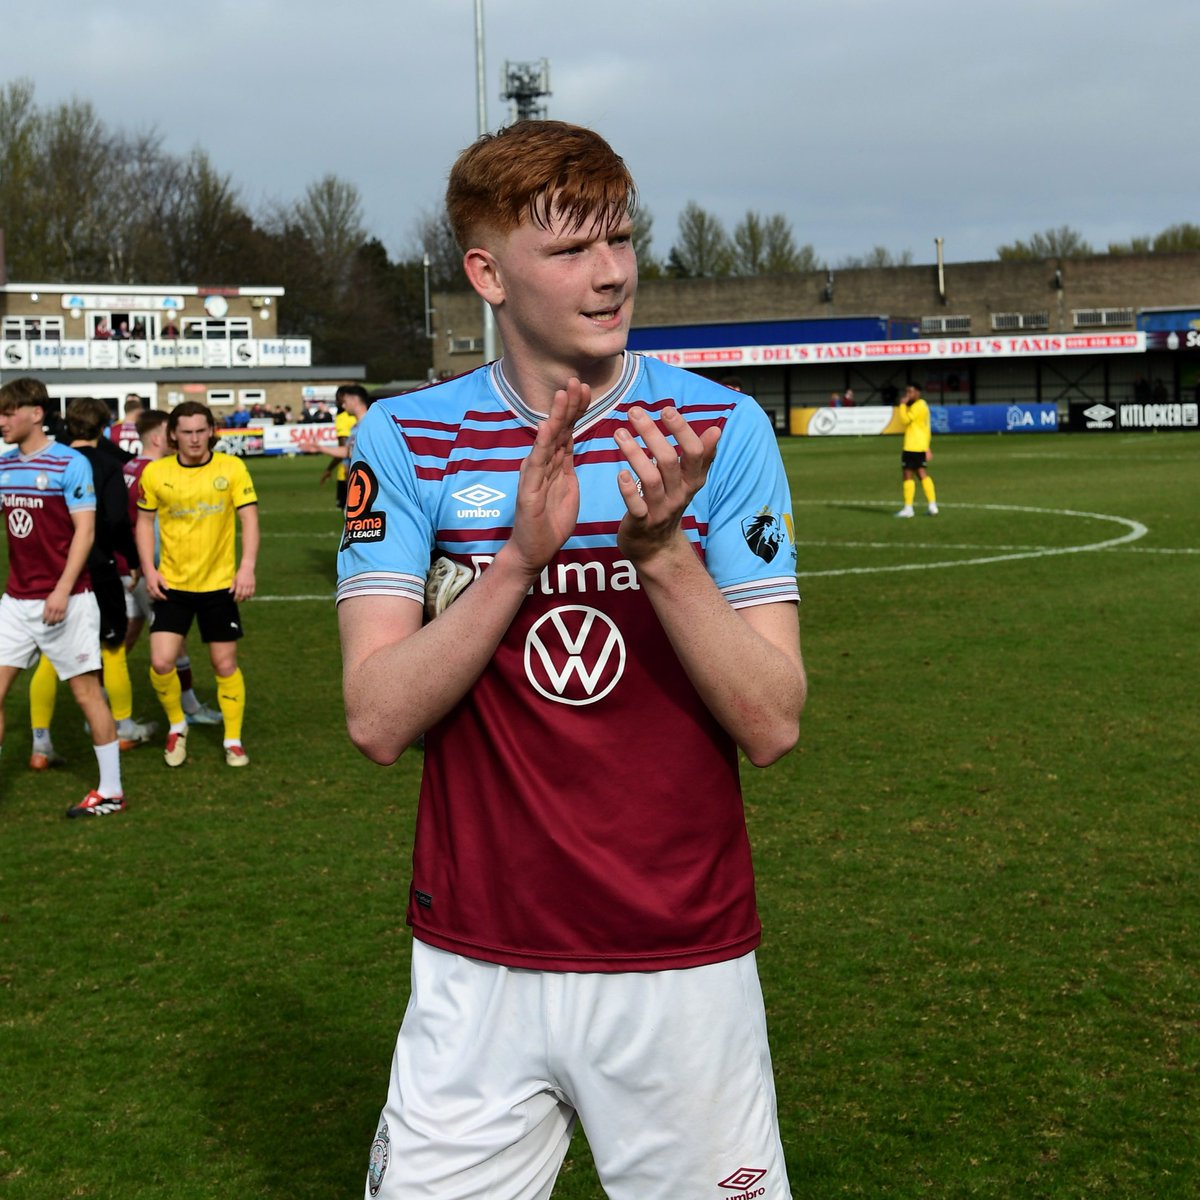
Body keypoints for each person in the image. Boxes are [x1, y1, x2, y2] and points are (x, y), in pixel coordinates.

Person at [337, 120, 806, 1200]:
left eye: (621, 239)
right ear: (487, 274)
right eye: (570, 250)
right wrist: (515, 563)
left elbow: (774, 721)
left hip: (679, 962)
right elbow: (376, 718)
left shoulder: (717, 428)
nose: (611, 274)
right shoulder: (407, 439)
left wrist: (663, 556)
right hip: (474, 963)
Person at [0, 378, 127, 817]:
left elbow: (85, 532)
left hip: (68, 600)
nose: (2, 421)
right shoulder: (4, 466)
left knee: (87, 694)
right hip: (16, 601)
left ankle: (111, 791)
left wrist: (61, 589)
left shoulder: (69, 463)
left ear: (36, 414)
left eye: (8, 412)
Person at [25, 397, 157, 768]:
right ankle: (123, 726)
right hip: (97, 568)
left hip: (55, 570)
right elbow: (115, 520)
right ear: (103, 426)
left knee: (49, 658)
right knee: (112, 648)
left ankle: (40, 743)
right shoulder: (107, 464)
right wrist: (133, 560)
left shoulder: (55, 461)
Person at [136, 402, 259, 769]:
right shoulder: (156, 472)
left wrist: (247, 568)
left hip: (219, 585)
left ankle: (233, 740)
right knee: (161, 662)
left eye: (201, 431)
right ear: (173, 434)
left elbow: (249, 519)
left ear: (211, 431)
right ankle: (178, 725)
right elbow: (143, 523)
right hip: (172, 584)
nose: (194, 438)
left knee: (224, 664)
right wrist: (149, 570)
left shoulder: (231, 468)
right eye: (186, 432)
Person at [122, 409, 222, 727]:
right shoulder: (155, 472)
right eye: (171, 432)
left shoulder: (130, 467)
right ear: (157, 438)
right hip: (148, 570)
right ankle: (187, 708)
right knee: (173, 640)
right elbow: (150, 528)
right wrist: (154, 569)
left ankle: (106, 703)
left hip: (127, 566)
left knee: (125, 636)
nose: (176, 438)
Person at [316, 384, 370, 507]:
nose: (343, 406)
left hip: (366, 489)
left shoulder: (370, 425)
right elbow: (348, 451)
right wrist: (319, 448)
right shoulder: (356, 426)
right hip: (355, 487)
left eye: (344, 401)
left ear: (354, 399)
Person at [895, 382, 938, 517]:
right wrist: (926, 446)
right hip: (919, 445)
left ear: (918, 392)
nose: (908, 395)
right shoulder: (922, 405)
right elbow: (926, 428)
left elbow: (905, 420)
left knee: (908, 474)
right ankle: (932, 506)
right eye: (907, 392)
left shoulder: (917, 406)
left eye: (910, 392)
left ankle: (908, 509)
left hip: (912, 446)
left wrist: (902, 405)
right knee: (921, 473)